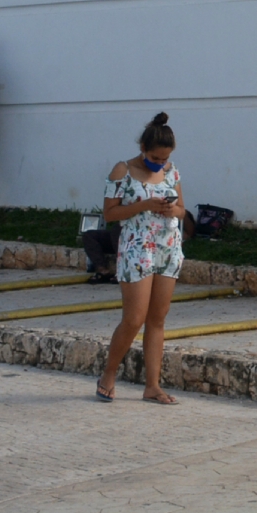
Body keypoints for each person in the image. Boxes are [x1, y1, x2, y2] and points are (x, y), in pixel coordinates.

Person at [95, 112, 185, 404]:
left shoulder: (172, 172)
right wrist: (144, 204)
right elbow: (109, 214)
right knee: (134, 318)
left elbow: (183, 209)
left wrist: (173, 210)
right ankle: (109, 373)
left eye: (164, 159)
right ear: (143, 149)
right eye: (156, 158)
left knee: (157, 319)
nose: (160, 163)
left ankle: (153, 386)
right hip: (137, 248)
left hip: (167, 247)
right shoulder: (123, 170)